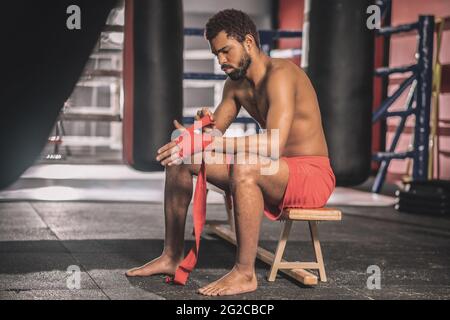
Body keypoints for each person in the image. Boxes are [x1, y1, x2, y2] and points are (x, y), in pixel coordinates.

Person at [126, 8, 335, 296]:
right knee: (182, 157)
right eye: (216, 55)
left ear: (248, 42)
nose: (221, 61)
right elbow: (213, 135)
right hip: (276, 171)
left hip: (310, 174)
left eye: (226, 51)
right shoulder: (235, 84)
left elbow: (273, 145)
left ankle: (245, 274)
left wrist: (207, 143)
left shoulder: (282, 74)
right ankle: (171, 257)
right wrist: (194, 134)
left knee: (246, 165)